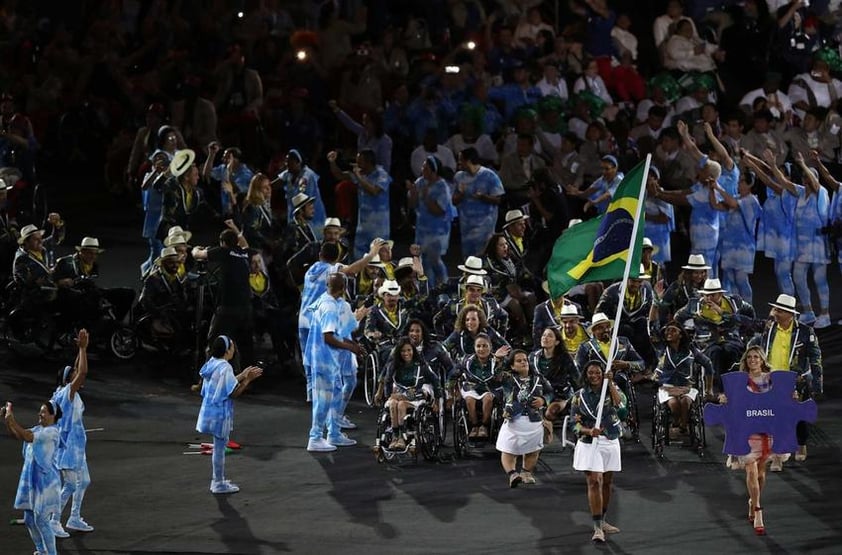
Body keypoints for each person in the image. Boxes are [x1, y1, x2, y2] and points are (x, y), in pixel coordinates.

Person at [717, 346, 796, 536]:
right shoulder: (738, 381)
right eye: (750, 357)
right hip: (746, 430)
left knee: (760, 474)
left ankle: (753, 501)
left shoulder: (772, 380)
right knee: (751, 469)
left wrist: (790, 397)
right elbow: (728, 399)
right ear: (746, 360)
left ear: (762, 360)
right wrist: (723, 398)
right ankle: (758, 510)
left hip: (767, 429)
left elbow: (781, 399)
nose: (753, 360)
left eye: (756, 357)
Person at [749, 293, 823, 463]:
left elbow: (815, 358)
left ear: (790, 314)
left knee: (798, 416)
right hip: (771, 379)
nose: (775, 312)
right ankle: (777, 454)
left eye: (780, 310)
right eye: (775, 309)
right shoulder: (769, 328)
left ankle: (801, 444)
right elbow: (747, 324)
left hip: (795, 380)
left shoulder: (805, 332)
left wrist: (817, 385)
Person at [306, 273, 368, 452]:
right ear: (343, 289)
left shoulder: (325, 300)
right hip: (323, 360)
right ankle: (315, 437)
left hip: (329, 361)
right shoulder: (330, 308)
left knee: (334, 397)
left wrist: (353, 344)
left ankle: (333, 433)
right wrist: (351, 348)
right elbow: (328, 337)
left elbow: (338, 333)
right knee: (323, 400)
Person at [195, 335, 263, 494]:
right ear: (227, 350)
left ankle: (218, 480)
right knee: (219, 449)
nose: (234, 349)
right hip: (220, 414)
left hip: (209, 411)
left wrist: (243, 374)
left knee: (219, 446)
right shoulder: (225, 367)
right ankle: (217, 482)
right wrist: (248, 381)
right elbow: (233, 392)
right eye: (232, 346)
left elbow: (225, 382)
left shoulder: (212, 363)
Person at [571, 360, 623, 543]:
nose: (594, 376)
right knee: (594, 481)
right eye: (590, 373)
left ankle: (603, 519)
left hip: (609, 440)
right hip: (588, 442)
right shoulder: (578, 396)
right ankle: (597, 527)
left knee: (607, 482)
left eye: (598, 373)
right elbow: (573, 424)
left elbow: (621, 409)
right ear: (585, 375)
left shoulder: (611, 391)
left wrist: (611, 384)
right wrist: (587, 431)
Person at [3, 399, 63, 555]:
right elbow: (19, 435)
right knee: (30, 520)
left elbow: (27, 436)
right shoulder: (38, 428)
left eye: (43, 411)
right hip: (32, 481)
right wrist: (8, 422)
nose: (40, 414)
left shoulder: (52, 432)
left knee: (42, 521)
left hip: (45, 484)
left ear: (53, 415)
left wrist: (12, 419)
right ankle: (41, 551)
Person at [50, 329, 95, 537]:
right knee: (69, 484)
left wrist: (79, 349)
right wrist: (84, 349)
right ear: (68, 380)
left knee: (83, 481)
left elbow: (78, 369)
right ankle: (54, 521)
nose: (77, 375)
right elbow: (82, 372)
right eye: (73, 375)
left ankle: (74, 517)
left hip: (77, 447)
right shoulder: (66, 393)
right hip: (68, 448)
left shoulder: (67, 391)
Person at [192, 225, 255, 371]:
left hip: (227, 308)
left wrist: (195, 248)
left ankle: (207, 377)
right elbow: (246, 244)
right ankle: (247, 380)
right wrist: (235, 229)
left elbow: (199, 255)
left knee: (214, 341)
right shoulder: (244, 253)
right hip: (246, 308)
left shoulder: (224, 251)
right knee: (245, 346)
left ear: (222, 242)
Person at [497, 350, 553, 487]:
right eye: (519, 361)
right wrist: (498, 359)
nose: (523, 362)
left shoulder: (539, 378)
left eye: (525, 360)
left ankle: (526, 472)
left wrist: (544, 400)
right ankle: (512, 474)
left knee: (533, 450)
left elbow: (550, 392)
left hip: (534, 420)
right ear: (512, 366)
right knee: (508, 449)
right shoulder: (508, 379)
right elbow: (495, 375)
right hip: (513, 419)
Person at [377, 337, 443, 450]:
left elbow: (435, 380)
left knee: (401, 404)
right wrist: (388, 395)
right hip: (399, 395)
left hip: (416, 395)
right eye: (403, 351)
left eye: (409, 350)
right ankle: (395, 436)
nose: (406, 353)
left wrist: (436, 400)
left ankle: (403, 438)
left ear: (413, 350)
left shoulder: (421, 365)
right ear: (399, 352)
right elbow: (387, 380)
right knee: (393, 403)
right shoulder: (394, 365)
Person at [327, 149, 391, 259]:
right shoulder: (361, 175)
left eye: (360, 162)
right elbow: (339, 175)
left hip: (379, 229)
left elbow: (374, 191)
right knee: (359, 260)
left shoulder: (382, 174)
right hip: (362, 229)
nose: (357, 164)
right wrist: (332, 162)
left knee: (378, 263)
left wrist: (358, 176)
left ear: (368, 163)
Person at [654, 321, 712, 438]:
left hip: (686, 386)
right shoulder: (662, 348)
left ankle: (683, 426)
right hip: (668, 386)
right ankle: (676, 422)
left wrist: (709, 389)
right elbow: (652, 327)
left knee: (685, 402)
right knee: (674, 404)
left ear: (680, 334)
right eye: (667, 330)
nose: (669, 332)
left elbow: (708, 364)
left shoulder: (691, 350)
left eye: (673, 330)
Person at [448, 332, 510, 439]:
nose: (481, 349)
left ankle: (484, 426)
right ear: (474, 347)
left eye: (485, 346)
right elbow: (452, 375)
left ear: (490, 347)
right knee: (469, 399)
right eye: (478, 346)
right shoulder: (466, 360)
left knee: (488, 398)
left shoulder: (497, 359)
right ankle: (474, 426)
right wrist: (452, 392)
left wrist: (498, 360)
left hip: (490, 388)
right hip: (472, 387)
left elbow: (500, 377)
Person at [406, 155, 454, 289]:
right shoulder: (420, 182)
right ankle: (429, 289)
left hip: (438, 231)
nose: (422, 170)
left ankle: (445, 284)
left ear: (434, 171)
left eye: (425, 168)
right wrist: (413, 193)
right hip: (422, 229)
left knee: (434, 259)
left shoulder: (442, 186)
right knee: (424, 261)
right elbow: (412, 204)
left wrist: (426, 197)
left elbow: (439, 210)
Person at [452, 147, 505, 257]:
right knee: (468, 258)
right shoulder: (459, 177)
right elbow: (454, 201)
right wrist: (461, 194)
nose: (459, 163)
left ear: (469, 160)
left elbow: (499, 200)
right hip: (466, 227)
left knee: (483, 257)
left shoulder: (490, 176)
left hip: (485, 227)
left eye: (461, 159)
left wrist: (483, 197)